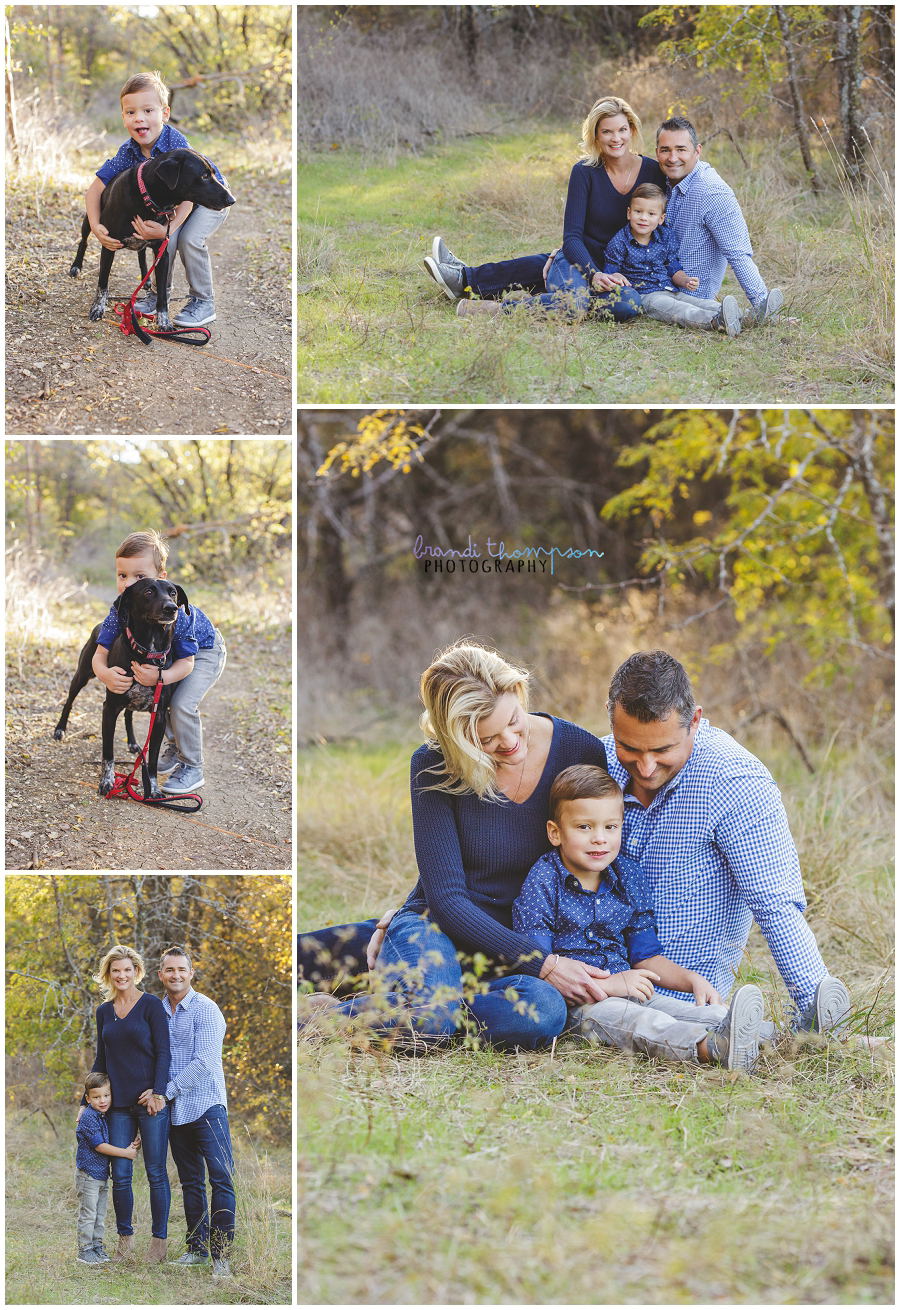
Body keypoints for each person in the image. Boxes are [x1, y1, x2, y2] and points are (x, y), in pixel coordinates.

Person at [301, 641, 618, 1048]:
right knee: (312, 964)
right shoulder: (434, 765)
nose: (509, 742)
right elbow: (447, 900)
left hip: (507, 951)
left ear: (518, 694)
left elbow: (597, 861)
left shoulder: (579, 751)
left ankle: (414, 1006)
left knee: (543, 1011)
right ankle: (324, 1017)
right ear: (457, 739)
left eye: (514, 720)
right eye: (486, 739)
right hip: (437, 928)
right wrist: (545, 963)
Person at [602, 650, 849, 1032]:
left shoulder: (735, 782)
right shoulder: (597, 760)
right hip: (592, 983)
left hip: (687, 1001)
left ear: (695, 721)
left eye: (663, 750)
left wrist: (825, 1020)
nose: (646, 767)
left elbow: (776, 906)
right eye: (631, 748)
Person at [512, 764, 765, 1070]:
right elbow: (539, 965)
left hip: (632, 990)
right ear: (556, 832)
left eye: (610, 827)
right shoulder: (543, 879)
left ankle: (767, 1039)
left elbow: (646, 956)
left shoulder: (627, 875)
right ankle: (711, 1048)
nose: (599, 839)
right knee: (646, 1021)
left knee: (692, 1011)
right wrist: (609, 986)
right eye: (584, 827)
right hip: (580, 1008)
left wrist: (691, 980)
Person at [429, 96, 661, 323]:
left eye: (621, 130)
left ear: (631, 130)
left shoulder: (652, 171)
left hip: (616, 273)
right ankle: (479, 293)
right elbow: (572, 237)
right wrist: (592, 273)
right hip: (579, 262)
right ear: (596, 136)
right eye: (606, 132)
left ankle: (471, 280)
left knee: (627, 303)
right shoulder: (584, 172)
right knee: (573, 302)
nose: (616, 138)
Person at [85, 70, 230, 330]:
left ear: (164, 114)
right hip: (177, 203)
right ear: (123, 118)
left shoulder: (176, 144)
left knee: (186, 239)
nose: (139, 118)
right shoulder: (128, 152)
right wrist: (96, 226)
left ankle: (203, 300)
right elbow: (94, 190)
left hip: (208, 196)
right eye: (131, 112)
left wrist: (167, 229)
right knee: (164, 240)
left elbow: (187, 196)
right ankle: (158, 294)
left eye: (148, 110)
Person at [92, 530, 226, 796]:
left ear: (161, 577)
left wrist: (160, 678)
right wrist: (105, 674)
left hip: (203, 653)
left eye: (140, 577)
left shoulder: (178, 613)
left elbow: (187, 663)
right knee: (165, 706)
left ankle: (192, 767)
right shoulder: (121, 608)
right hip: (172, 654)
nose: (130, 583)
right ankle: (175, 749)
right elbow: (99, 654)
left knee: (179, 703)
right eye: (123, 575)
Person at [151, 946, 235, 1281]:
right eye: (169, 970)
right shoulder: (155, 1012)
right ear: (160, 975)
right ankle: (196, 1250)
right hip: (175, 1112)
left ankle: (221, 1258)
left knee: (221, 1178)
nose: (175, 975)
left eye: (181, 969)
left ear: (191, 972)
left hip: (207, 1105)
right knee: (190, 1181)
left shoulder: (207, 1010)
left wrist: (164, 1092)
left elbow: (204, 1063)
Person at [86, 945, 171, 1262]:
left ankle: (158, 1243)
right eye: (115, 971)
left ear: (137, 971)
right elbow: (101, 1058)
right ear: (108, 975)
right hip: (117, 1106)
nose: (121, 976)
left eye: (127, 970)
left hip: (151, 1104)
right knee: (120, 1173)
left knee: (155, 1173)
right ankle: (125, 1240)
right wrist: (88, 1099)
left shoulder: (151, 1006)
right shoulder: (103, 1011)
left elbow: (164, 1052)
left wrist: (159, 1092)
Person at [655, 115, 783, 323]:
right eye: (665, 150)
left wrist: (762, 303)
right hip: (658, 283)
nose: (672, 157)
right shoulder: (664, 181)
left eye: (681, 149)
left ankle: (756, 314)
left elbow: (737, 254)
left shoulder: (712, 192)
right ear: (657, 153)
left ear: (697, 151)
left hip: (691, 296)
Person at [601, 183, 742, 337]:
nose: (643, 218)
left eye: (651, 214)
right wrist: (615, 276)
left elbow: (673, 267)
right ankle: (715, 322)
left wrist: (685, 280)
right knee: (678, 309)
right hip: (646, 296)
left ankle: (744, 316)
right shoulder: (619, 241)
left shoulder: (665, 236)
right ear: (629, 213)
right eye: (638, 211)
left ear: (661, 218)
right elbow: (610, 269)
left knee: (699, 302)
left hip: (670, 289)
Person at [74, 1072, 141, 1266]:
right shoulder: (88, 1117)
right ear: (87, 1098)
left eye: (106, 1095)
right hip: (88, 1175)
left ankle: (96, 1247)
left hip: (101, 1175)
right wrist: (125, 1153)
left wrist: (131, 1145)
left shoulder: (103, 1115)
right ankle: (84, 1250)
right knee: (88, 1213)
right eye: (96, 1097)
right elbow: (99, 1146)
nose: (102, 1100)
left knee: (100, 1213)